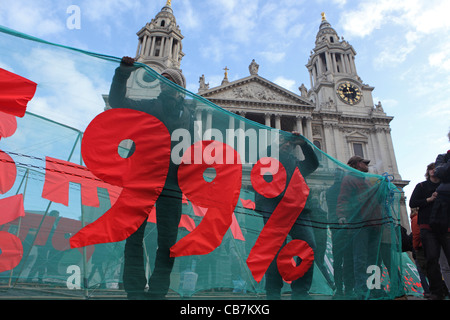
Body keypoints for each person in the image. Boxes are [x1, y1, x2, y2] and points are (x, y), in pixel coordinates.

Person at [108, 56, 193, 299]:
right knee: (133, 235)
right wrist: (122, 73)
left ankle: (158, 291)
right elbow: (117, 101)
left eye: (170, 82)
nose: (164, 85)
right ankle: (134, 288)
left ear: (180, 88)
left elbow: (191, 149)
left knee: (168, 241)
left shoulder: (189, 114)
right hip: (142, 179)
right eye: (162, 81)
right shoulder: (147, 105)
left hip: (172, 184)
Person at [255, 132, 319, 300]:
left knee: (308, 246)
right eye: (283, 142)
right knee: (275, 250)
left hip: (298, 209)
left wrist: (303, 144)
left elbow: (313, 163)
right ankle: (273, 292)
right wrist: (279, 144)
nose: (287, 145)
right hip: (274, 206)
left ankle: (300, 292)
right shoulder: (268, 159)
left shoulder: (297, 164)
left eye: (289, 144)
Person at [337, 155, 384, 299]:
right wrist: (342, 215)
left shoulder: (367, 181)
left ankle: (374, 287)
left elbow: (376, 200)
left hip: (374, 223)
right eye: (364, 163)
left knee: (374, 259)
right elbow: (343, 198)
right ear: (357, 164)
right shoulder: (349, 179)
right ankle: (362, 289)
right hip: (360, 224)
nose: (367, 165)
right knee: (361, 258)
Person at [409, 162, 447, 299]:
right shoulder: (421, 186)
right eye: (431, 168)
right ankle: (436, 291)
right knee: (431, 259)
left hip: (445, 226)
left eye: (436, 168)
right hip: (427, 226)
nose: (433, 170)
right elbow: (412, 203)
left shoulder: (445, 186)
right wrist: (429, 199)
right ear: (428, 171)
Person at [326, 169, 355, 298]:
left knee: (337, 259)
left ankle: (338, 289)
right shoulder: (346, 190)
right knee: (348, 258)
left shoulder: (329, 191)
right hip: (346, 225)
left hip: (334, 226)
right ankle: (349, 288)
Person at [410, 207, 430, 298]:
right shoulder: (424, 216)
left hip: (420, 247)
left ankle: (428, 291)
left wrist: (415, 247)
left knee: (422, 271)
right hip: (428, 245)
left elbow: (416, 235)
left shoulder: (415, 218)